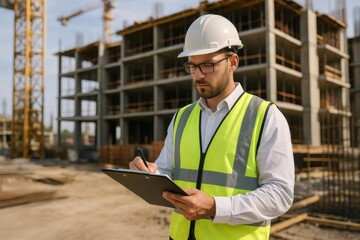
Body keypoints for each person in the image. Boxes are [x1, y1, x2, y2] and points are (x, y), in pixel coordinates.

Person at [129, 14, 294, 240]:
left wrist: (215, 207)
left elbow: (280, 194)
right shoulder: (182, 117)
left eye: (208, 65)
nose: (198, 75)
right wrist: (151, 173)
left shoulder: (265, 116)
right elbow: (167, 170)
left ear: (233, 62)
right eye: (192, 66)